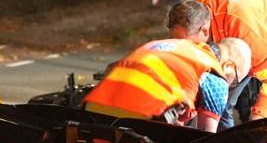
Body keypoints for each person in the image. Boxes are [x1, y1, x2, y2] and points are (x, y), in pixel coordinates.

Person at [83, 37, 251, 133]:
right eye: (234, 80)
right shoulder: (215, 75)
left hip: (92, 111)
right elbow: (206, 139)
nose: (229, 86)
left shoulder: (178, 45)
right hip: (136, 123)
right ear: (229, 66)